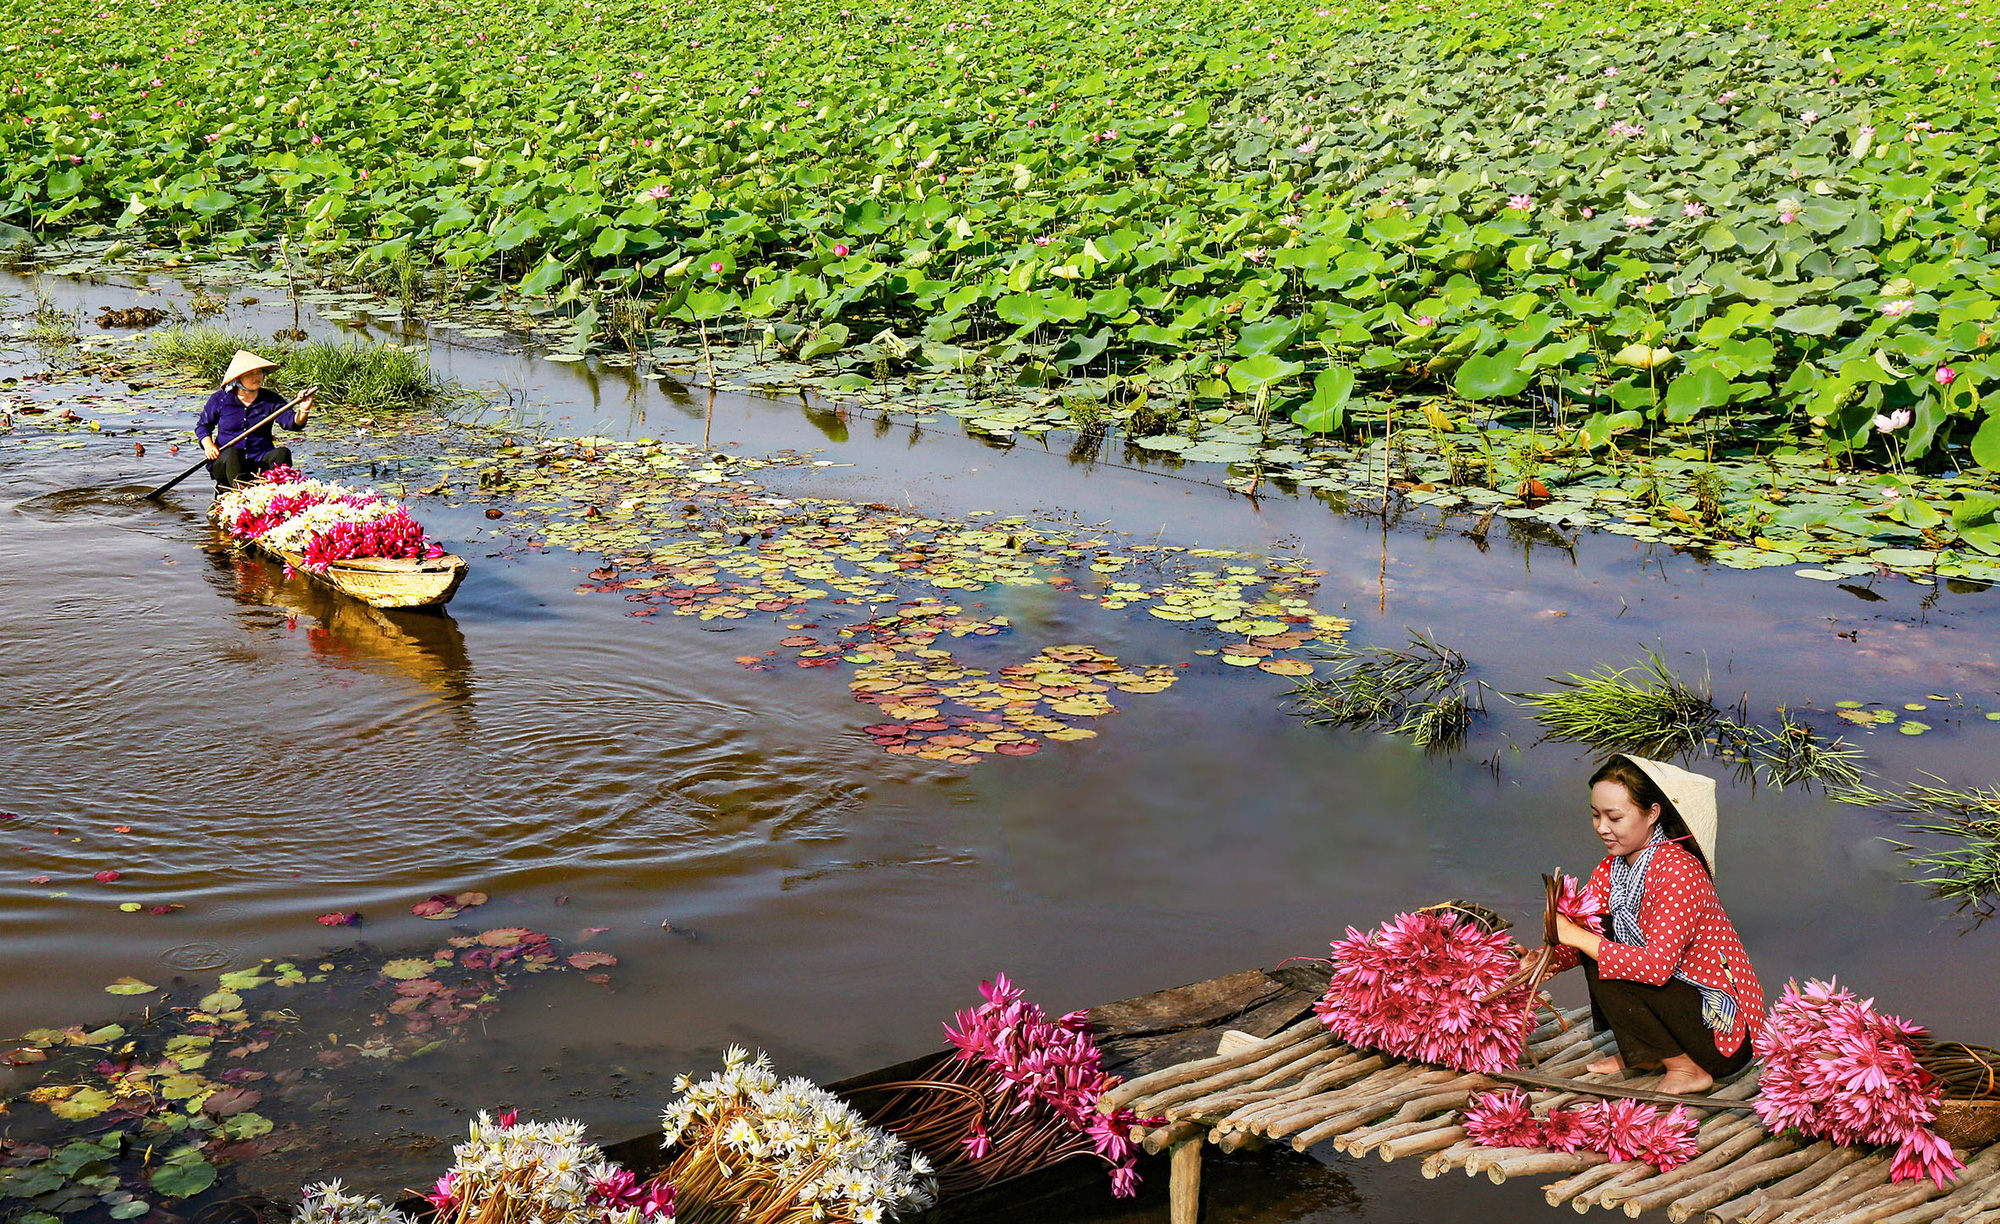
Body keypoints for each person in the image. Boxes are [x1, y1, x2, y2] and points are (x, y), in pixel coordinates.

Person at [1534, 755, 1766, 1095]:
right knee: (1600, 939)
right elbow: (1582, 936)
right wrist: (1546, 959)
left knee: (1606, 953)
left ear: (1653, 813)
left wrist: (1575, 935)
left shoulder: (1678, 872)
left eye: (1614, 817)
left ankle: (1686, 1067)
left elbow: (1656, 967)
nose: (1602, 827)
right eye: (1596, 815)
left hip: (1723, 1033)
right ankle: (1647, 1054)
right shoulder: (1612, 869)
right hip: (1683, 1011)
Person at [196, 350, 314, 490]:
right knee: (234, 455)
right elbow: (203, 427)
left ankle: (278, 491)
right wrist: (208, 445)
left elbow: (292, 423)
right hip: (227, 462)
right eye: (250, 374)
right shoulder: (220, 399)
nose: (257, 377)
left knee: (282, 453)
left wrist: (304, 409)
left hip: (260, 459)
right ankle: (239, 492)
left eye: (259, 372)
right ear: (238, 378)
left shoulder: (271, 399)